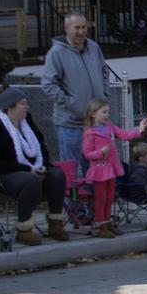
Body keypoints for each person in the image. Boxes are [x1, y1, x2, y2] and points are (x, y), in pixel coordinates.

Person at [41, 11, 109, 173]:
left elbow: (105, 72)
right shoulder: (56, 53)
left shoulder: (93, 47)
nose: (81, 32)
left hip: (95, 125)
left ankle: (92, 199)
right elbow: (48, 84)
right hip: (70, 125)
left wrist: (104, 96)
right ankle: (70, 200)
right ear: (66, 29)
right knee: (71, 172)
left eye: (84, 27)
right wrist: (72, 105)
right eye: (77, 27)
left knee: (93, 170)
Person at [0, 88, 68, 246]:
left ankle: (55, 224)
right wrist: (28, 170)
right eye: (23, 104)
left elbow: (42, 148)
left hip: (33, 169)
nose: (27, 106)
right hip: (8, 174)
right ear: (10, 107)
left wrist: (42, 166)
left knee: (57, 174)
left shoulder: (27, 121)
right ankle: (24, 229)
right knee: (30, 180)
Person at [82, 99, 147, 238]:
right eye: (103, 112)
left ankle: (108, 223)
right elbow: (87, 153)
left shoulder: (109, 127)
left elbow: (125, 135)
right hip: (99, 170)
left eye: (108, 112)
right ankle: (100, 225)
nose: (107, 115)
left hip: (110, 169)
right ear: (93, 114)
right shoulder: (90, 133)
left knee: (109, 198)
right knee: (100, 198)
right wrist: (101, 152)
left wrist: (140, 128)